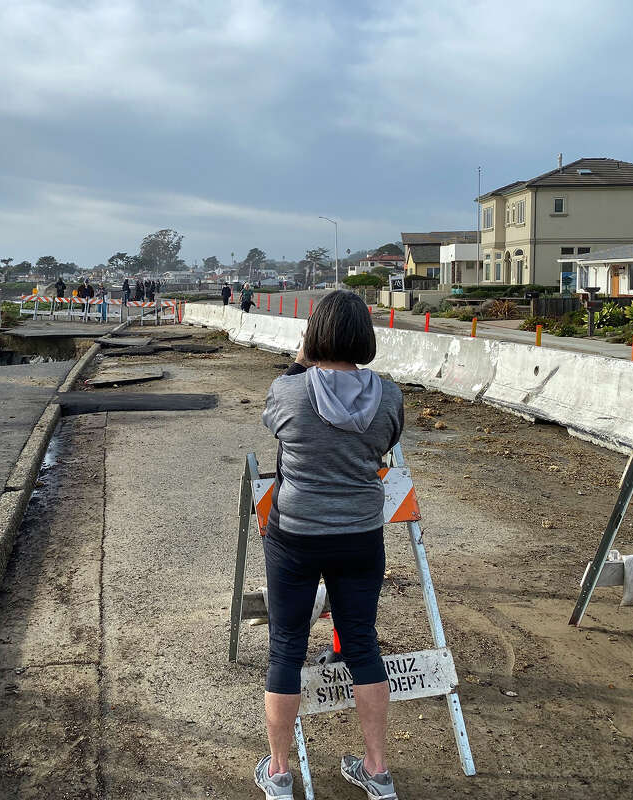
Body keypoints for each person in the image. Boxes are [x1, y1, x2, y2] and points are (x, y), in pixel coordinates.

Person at [254, 290, 404, 800]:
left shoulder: (289, 391)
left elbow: (275, 422)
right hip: (361, 534)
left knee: (286, 648)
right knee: (362, 643)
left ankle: (278, 773)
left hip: (297, 535)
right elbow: (384, 445)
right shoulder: (389, 395)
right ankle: (377, 769)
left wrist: (301, 360)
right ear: (366, 337)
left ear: (314, 335)